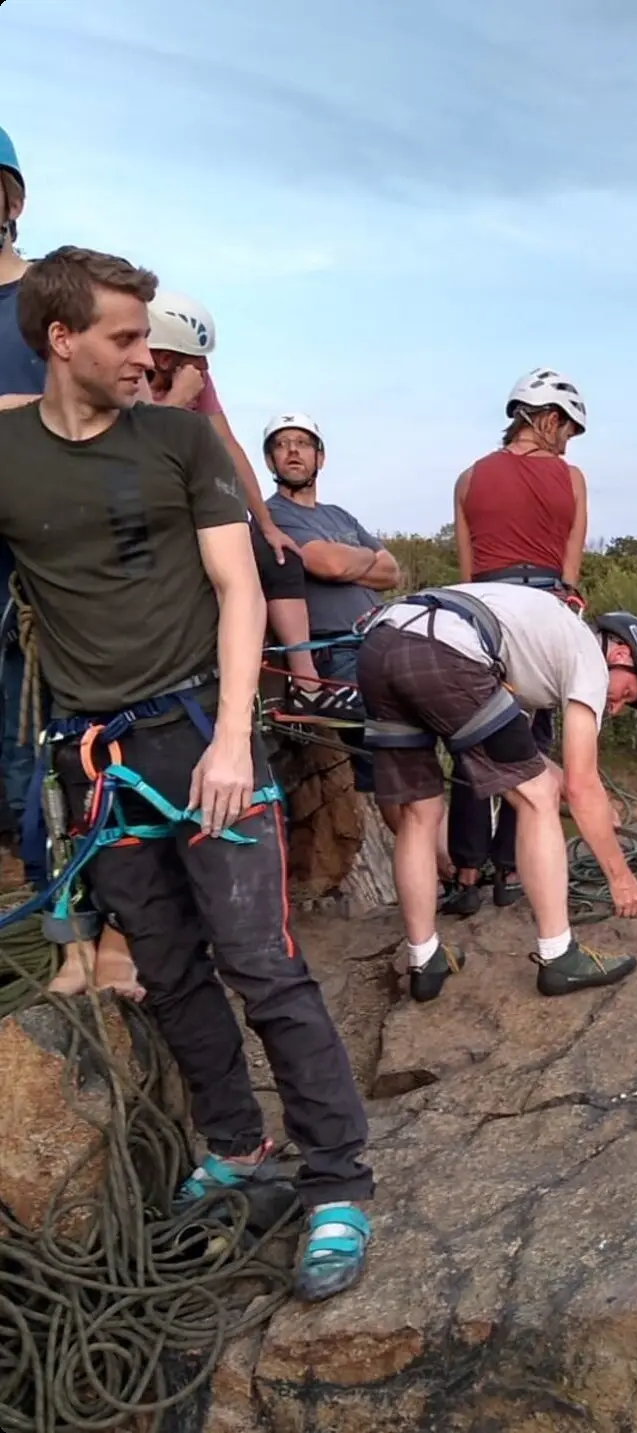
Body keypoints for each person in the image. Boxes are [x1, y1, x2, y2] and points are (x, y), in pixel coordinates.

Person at [0, 245, 373, 1301]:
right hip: (97, 755)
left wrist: (230, 741)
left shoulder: (178, 442)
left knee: (262, 961)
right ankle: (237, 1146)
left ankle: (339, 1177)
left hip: (201, 731)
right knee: (167, 968)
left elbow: (239, 587)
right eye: (125, 336)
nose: (147, 355)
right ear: (62, 339)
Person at [355, 584, 637, 1000]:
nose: (616, 706)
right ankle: (559, 957)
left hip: (381, 644)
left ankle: (424, 959)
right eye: (626, 693)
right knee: (535, 799)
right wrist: (620, 876)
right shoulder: (589, 656)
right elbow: (578, 782)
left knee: (419, 811)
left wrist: (590, 804)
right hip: (443, 648)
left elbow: (525, 761)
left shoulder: (537, 640)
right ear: (622, 654)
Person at [142, 296, 358, 721]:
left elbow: (228, 446)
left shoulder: (195, 378)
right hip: (147, 504)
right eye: (194, 362)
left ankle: (306, 682)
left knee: (275, 555)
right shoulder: (133, 375)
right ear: (165, 356)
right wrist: (179, 400)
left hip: (188, 495)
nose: (203, 372)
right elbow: (137, 443)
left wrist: (266, 523)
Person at [442, 368, 589, 915]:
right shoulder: (572, 479)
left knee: (474, 743)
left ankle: (466, 873)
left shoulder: (467, 479)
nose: (567, 442)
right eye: (567, 429)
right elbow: (569, 573)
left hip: (482, 612)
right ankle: (513, 868)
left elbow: (466, 575)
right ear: (548, 419)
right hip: (543, 610)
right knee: (528, 749)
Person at [264, 414, 401, 787]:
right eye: (282, 444)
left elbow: (392, 572)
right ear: (269, 461)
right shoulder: (271, 515)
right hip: (335, 651)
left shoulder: (339, 515)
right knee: (395, 738)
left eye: (303, 443)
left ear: (319, 458)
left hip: (382, 640)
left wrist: (345, 562)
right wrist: (359, 559)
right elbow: (329, 564)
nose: (293, 451)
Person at [0, 124, 40, 856]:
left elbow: (108, 405)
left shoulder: (46, 299)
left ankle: (58, 915)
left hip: (36, 544)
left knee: (31, 729)